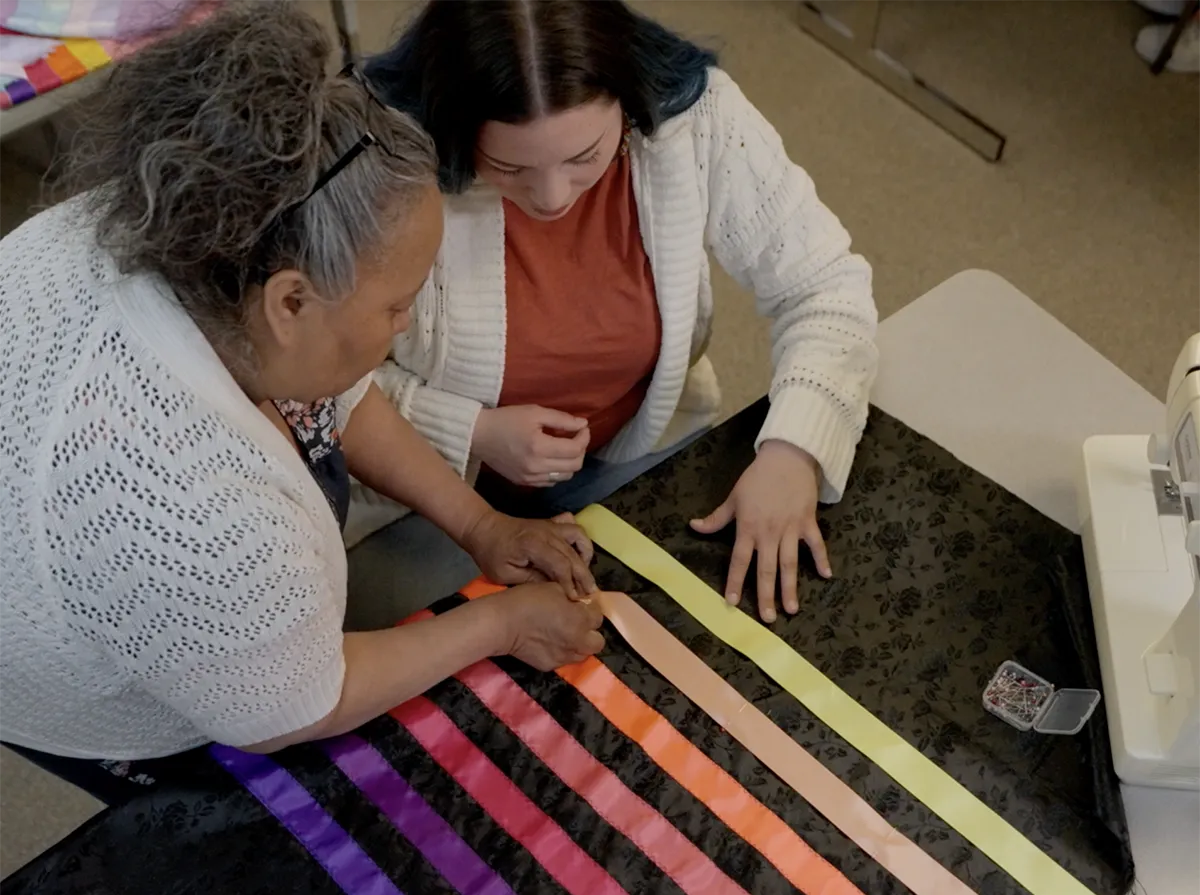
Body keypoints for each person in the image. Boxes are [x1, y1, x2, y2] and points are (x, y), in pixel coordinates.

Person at [0, 0, 602, 805]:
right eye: (397, 307)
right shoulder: (191, 510)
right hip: (81, 673)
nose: (409, 325)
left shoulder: (213, 238)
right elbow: (293, 705)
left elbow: (331, 393)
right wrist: (501, 624)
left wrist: (478, 522)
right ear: (291, 304)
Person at [357, 0, 879, 626]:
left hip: (628, 459)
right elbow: (306, 389)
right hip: (416, 499)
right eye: (507, 168)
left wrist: (794, 453)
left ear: (629, 105)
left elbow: (824, 286)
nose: (551, 198)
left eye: (585, 158)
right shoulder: (375, 156)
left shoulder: (696, 119)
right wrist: (470, 431)